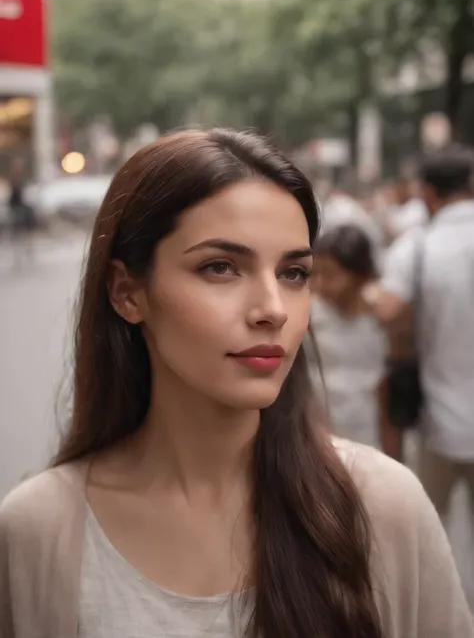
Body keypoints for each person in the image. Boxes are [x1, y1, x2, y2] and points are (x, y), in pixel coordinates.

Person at [0, 130, 472, 638]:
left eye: (293, 273)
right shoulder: (38, 532)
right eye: (220, 267)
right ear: (126, 291)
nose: (272, 309)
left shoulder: (383, 509)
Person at [370, 146, 474, 526]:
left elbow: (385, 310)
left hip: (441, 418)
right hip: (443, 417)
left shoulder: (417, 248)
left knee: (432, 532)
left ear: (427, 193)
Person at [310, 225, 392, 450]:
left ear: (359, 275)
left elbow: (384, 389)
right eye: (315, 274)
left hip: (367, 433)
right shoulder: (311, 317)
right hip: (321, 434)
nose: (319, 285)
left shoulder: (379, 319)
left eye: (330, 275)